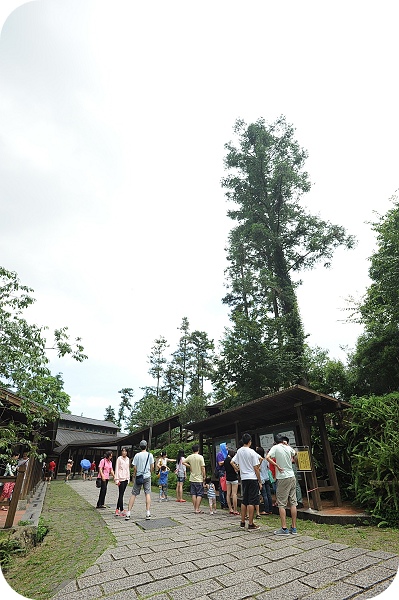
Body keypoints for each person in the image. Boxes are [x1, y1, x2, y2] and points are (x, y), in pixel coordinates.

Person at [266, 434, 298, 535]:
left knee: (281, 504)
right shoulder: (288, 447)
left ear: (275, 441)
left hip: (282, 477)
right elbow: (295, 454)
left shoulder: (275, 447)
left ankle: (284, 528)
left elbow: (267, 457)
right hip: (292, 476)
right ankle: (294, 527)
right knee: (293, 502)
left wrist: (276, 465)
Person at [231, 433, 262, 530]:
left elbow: (232, 461)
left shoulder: (239, 451)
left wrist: (237, 469)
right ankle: (251, 523)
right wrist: (259, 481)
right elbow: (256, 468)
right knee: (252, 501)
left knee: (245, 500)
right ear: (249, 442)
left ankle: (242, 521)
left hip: (243, 478)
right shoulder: (252, 452)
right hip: (252, 478)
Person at [125, 440, 154, 521]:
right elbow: (152, 466)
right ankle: (148, 513)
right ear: (146, 446)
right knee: (147, 493)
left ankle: (128, 513)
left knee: (134, 494)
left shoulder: (137, 455)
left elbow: (134, 467)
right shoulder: (150, 455)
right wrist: (150, 472)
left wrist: (135, 474)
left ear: (140, 447)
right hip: (147, 476)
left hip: (139, 476)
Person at [183, 444, 206, 514]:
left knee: (193, 493)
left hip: (192, 478)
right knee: (199, 494)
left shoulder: (190, 457)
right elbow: (203, 467)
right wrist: (204, 476)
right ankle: (197, 508)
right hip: (199, 478)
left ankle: (195, 508)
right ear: (198, 449)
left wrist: (189, 466)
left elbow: (183, 462)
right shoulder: (200, 457)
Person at [256, 446, 273, 515]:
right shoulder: (266, 458)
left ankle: (266, 510)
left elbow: (258, 469)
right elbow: (268, 467)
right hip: (267, 477)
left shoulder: (258, 459)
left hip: (262, 478)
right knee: (269, 494)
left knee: (264, 495)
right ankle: (270, 509)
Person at [114, 447, 130, 516]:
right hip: (120, 478)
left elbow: (127, 469)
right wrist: (116, 479)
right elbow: (117, 468)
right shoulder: (119, 459)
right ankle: (120, 509)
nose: (124, 452)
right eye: (123, 451)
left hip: (126, 478)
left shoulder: (128, 459)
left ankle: (119, 509)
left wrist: (128, 478)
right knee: (121, 494)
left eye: (125, 451)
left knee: (122, 494)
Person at [224, 449, 239, 515]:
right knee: (234, 494)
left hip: (228, 478)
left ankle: (230, 509)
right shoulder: (232, 460)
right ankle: (235, 510)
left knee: (228, 494)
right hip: (234, 478)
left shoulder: (225, 460)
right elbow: (236, 469)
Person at [215, 442, 228, 509]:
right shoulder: (220, 454)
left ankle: (226, 502)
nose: (227, 447)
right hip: (221, 472)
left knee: (226, 488)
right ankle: (223, 503)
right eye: (226, 446)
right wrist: (226, 460)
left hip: (226, 472)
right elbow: (220, 463)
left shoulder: (226, 453)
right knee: (222, 488)